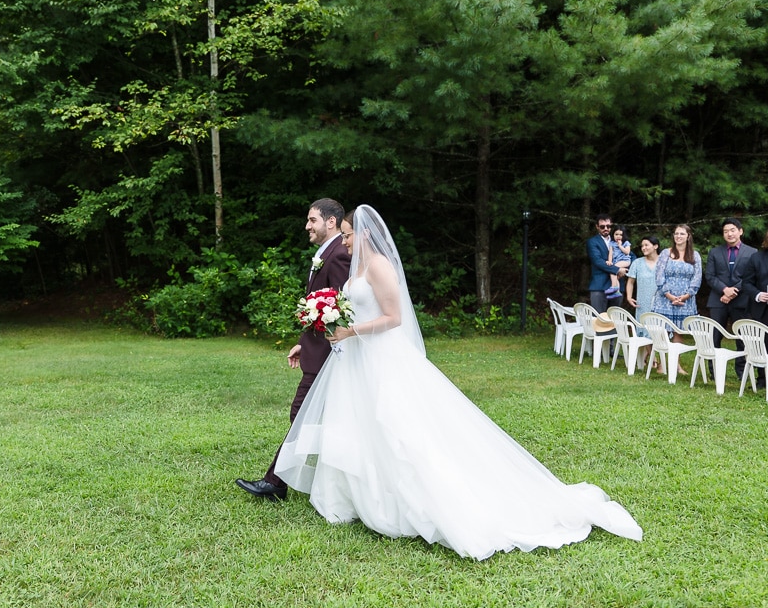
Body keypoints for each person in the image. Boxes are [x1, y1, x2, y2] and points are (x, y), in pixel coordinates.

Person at [274, 205, 643, 560]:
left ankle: (408, 501)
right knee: (360, 426)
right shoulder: (355, 269)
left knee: (397, 429)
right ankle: (356, 497)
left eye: (350, 235)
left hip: (382, 357)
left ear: (365, 234)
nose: (346, 241)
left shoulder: (380, 266)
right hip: (356, 360)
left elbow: (394, 317)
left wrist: (352, 330)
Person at [235, 198, 352, 501]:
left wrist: (324, 345)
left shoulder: (339, 253)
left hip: (330, 356)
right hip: (318, 349)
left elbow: (342, 308)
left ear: (331, 221)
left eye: (312, 220)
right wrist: (304, 340)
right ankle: (281, 482)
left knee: (301, 414)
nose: (307, 226)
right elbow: (322, 307)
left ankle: (275, 483)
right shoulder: (327, 252)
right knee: (313, 417)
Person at [705, 217, 757, 379]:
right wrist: (724, 290)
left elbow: (751, 276)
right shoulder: (715, 252)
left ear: (740, 231)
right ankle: (714, 372)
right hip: (717, 300)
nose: (729, 234)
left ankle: (742, 372)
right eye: (726, 231)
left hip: (741, 300)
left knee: (742, 337)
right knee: (714, 336)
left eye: (732, 230)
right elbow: (710, 276)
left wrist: (733, 291)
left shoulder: (752, 252)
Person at [653, 224, 702, 375]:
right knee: (663, 331)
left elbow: (697, 277)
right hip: (665, 299)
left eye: (682, 234)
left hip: (685, 301)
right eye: (676, 234)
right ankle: (662, 364)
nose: (678, 236)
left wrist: (687, 295)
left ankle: (676, 364)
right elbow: (659, 275)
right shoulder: (665, 253)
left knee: (678, 332)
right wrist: (669, 295)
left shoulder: (695, 255)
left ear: (688, 236)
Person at [625, 235, 661, 372]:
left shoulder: (664, 262)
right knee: (645, 331)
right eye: (642, 246)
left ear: (655, 246)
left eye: (646, 245)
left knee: (659, 330)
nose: (644, 248)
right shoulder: (637, 263)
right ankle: (653, 358)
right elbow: (630, 282)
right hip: (643, 302)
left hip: (660, 302)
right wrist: (629, 297)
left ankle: (655, 358)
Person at [740, 229, 768, 388]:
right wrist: (758, 295)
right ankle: (763, 379)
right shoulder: (757, 258)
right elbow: (746, 283)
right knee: (763, 344)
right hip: (762, 310)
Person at [587, 215, 626, 311]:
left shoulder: (618, 240)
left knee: (614, 321)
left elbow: (631, 255)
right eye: (602, 226)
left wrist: (626, 268)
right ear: (597, 226)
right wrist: (617, 270)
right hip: (599, 286)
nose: (606, 229)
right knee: (599, 321)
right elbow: (597, 261)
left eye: (608, 226)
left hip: (617, 286)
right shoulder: (592, 242)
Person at [605, 226, 632, 299]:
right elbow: (610, 253)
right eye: (616, 234)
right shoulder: (612, 243)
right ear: (613, 235)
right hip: (615, 262)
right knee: (616, 276)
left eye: (621, 235)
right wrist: (610, 261)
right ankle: (617, 292)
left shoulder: (626, 243)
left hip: (625, 261)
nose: (618, 236)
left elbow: (627, 252)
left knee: (612, 270)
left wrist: (620, 246)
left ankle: (613, 287)